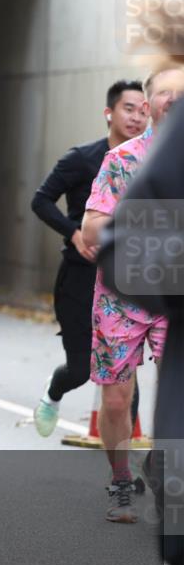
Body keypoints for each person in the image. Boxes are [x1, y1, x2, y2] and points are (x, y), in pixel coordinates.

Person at [81, 65, 184, 522]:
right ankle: (121, 480)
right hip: (121, 296)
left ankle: (167, 474)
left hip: (175, 299)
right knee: (118, 399)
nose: (175, 100)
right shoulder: (122, 160)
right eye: (166, 93)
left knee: (175, 392)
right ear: (148, 104)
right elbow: (92, 228)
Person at [30, 80, 148, 436]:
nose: (136, 117)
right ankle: (54, 390)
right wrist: (75, 232)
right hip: (80, 279)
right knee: (81, 369)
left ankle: (125, 468)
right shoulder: (83, 158)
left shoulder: (149, 162)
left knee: (124, 374)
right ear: (109, 113)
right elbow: (41, 200)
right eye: (128, 108)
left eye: (143, 110)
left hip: (125, 281)